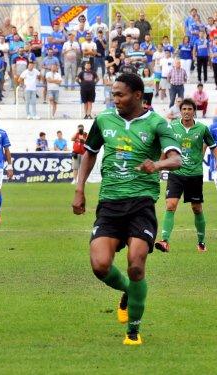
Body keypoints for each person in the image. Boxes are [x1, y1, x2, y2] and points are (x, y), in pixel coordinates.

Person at [72, 73, 182, 346]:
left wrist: (156, 165)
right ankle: (128, 292)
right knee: (100, 266)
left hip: (141, 203)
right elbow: (90, 152)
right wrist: (79, 188)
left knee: (136, 265)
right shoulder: (104, 120)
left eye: (120, 95)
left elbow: (176, 159)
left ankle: (133, 331)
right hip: (109, 203)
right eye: (113, 95)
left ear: (137, 95)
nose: (115, 100)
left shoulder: (157, 123)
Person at [155, 98, 217, 253]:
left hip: (194, 174)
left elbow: (213, 146)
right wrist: (157, 167)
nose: (187, 112)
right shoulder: (172, 126)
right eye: (184, 109)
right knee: (170, 205)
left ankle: (201, 242)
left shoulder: (202, 129)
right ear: (180, 111)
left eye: (190, 109)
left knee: (196, 208)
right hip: (176, 173)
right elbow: (165, 149)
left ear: (194, 111)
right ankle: (164, 241)